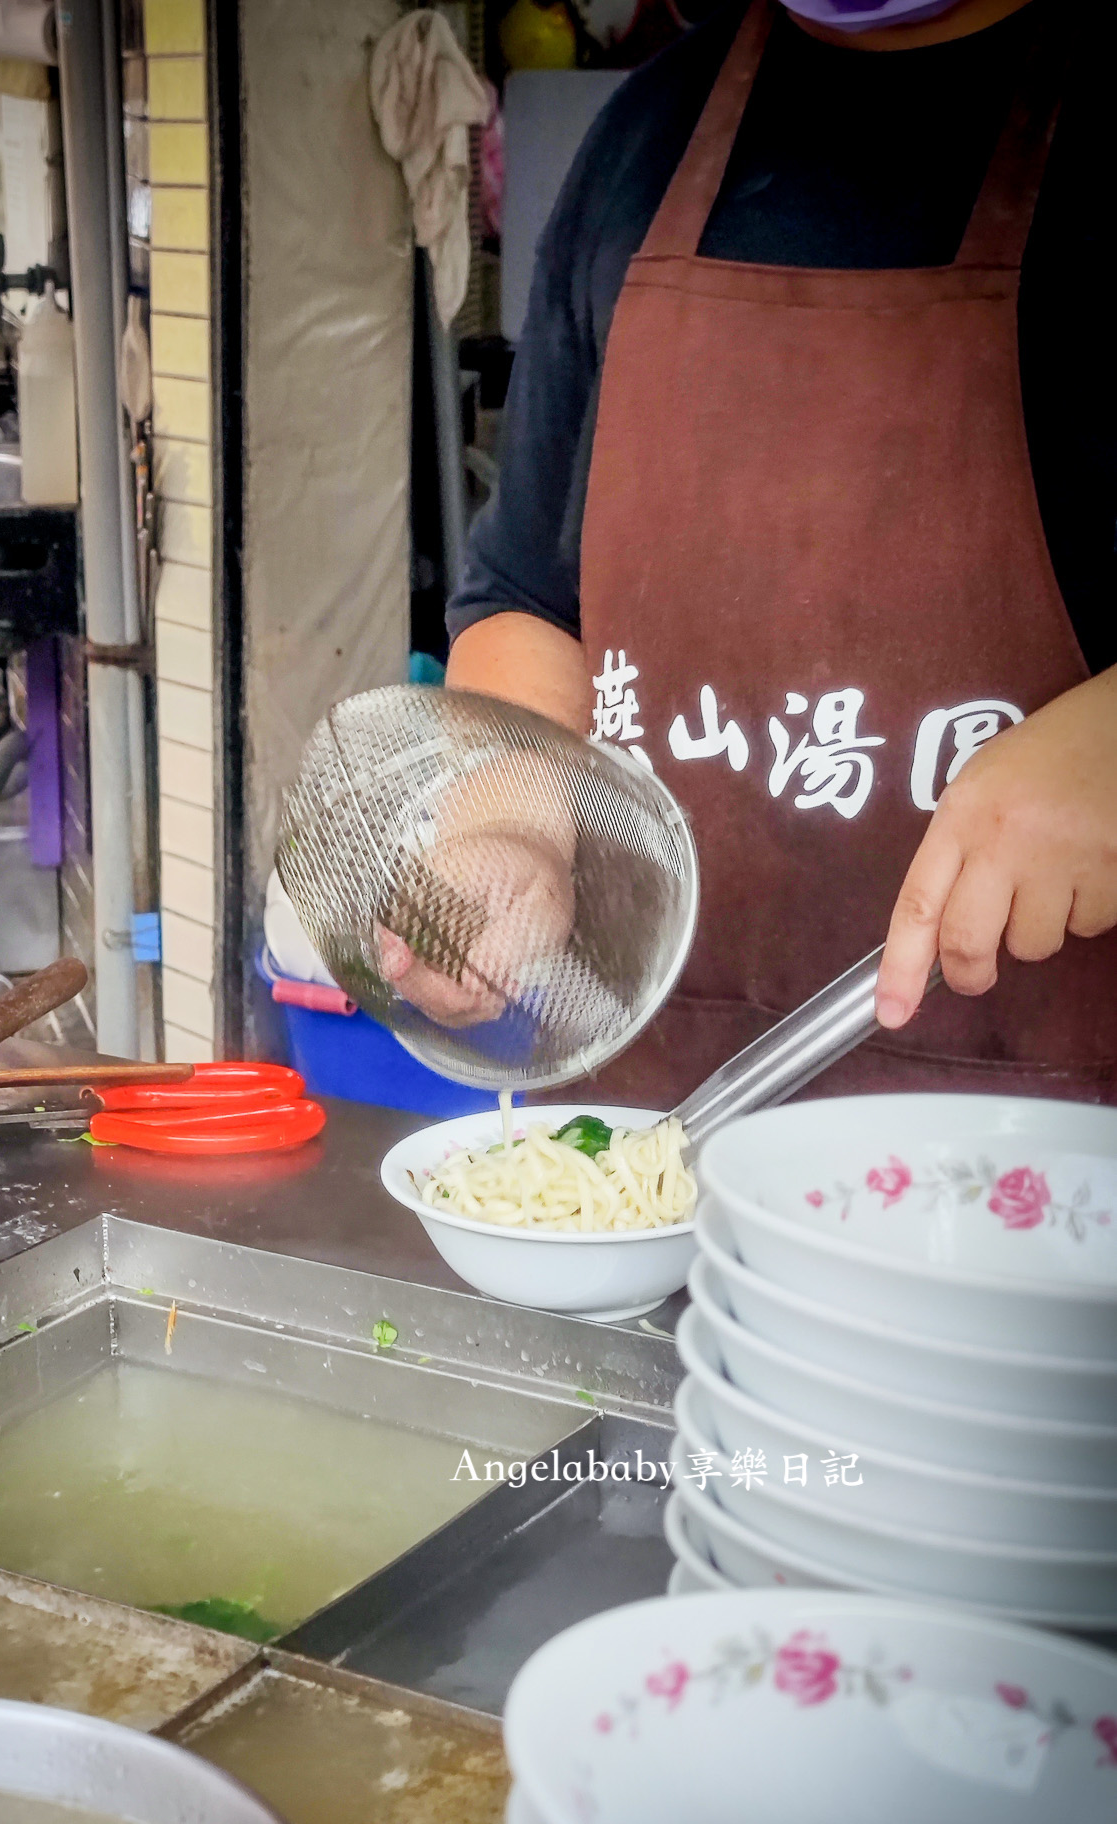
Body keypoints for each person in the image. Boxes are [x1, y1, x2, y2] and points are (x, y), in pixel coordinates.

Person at [415, 0, 1116, 1105]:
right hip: (646, 1145)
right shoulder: (647, 133)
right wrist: (506, 810)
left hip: (1030, 1176)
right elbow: (527, 598)